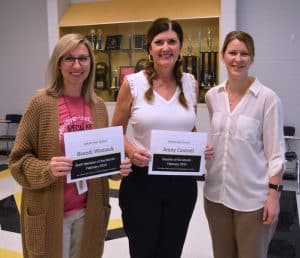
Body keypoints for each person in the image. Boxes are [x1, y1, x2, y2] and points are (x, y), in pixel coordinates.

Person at [8, 33, 132, 258]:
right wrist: (48, 169)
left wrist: (117, 168)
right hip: (50, 211)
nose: (77, 65)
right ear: (58, 63)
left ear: (91, 63)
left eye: (83, 58)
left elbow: (103, 157)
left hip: (89, 211)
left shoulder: (98, 107)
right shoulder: (40, 104)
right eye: (69, 59)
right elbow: (17, 162)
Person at [111, 17, 199, 258]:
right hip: (142, 182)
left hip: (182, 183)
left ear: (180, 47)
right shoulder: (133, 83)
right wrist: (129, 150)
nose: (166, 47)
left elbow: (189, 129)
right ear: (150, 47)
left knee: (171, 250)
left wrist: (201, 148)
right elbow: (115, 130)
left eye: (172, 41)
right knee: (143, 250)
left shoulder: (191, 83)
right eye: (159, 42)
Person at [204, 31, 285, 258]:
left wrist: (273, 197)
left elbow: (276, 154)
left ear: (251, 58)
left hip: (252, 201)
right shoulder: (213, 96)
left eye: (244, 54)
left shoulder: (267, 99)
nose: (237, 59)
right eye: (232, 53)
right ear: (222, 56)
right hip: (215, 196)